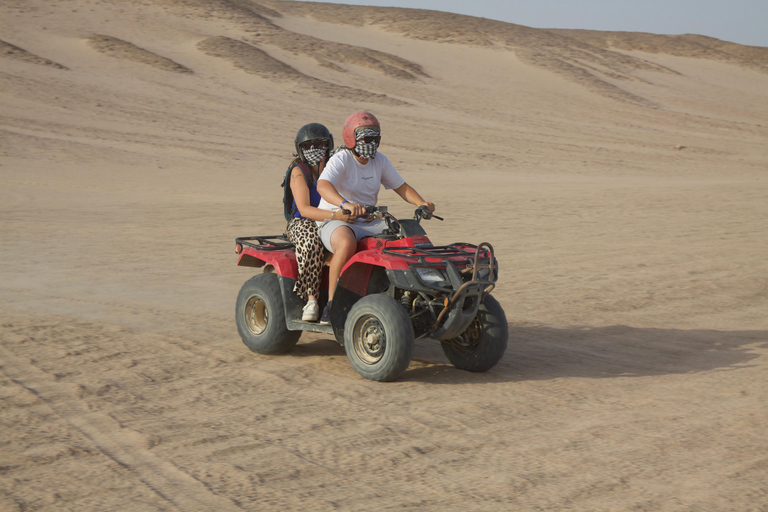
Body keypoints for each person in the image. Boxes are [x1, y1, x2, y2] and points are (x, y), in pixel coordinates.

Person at [316, 111, 435, 325]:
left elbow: (401, 187)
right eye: (366, 138)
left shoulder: (380, 161)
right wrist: (346, 205)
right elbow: (323, 185)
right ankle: (332, 305)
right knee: (346, 243)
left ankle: (407, 297)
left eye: (375, 138)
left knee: (402, 239)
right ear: (352, 138)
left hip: (369, 221)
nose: (372, 143)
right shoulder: (341, 158)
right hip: (336, 220)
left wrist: (422, 203)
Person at [285, 123, 352, 321]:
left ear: (328, 144)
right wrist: (336, 216)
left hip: (332, 218)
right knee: (312, 242)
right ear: (300, 149)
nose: (314, 149)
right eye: (308, 146)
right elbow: (304, 209)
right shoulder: (298, 171)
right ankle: (312, 300)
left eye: (319, 144)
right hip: (303, 222)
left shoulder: (335, 164)